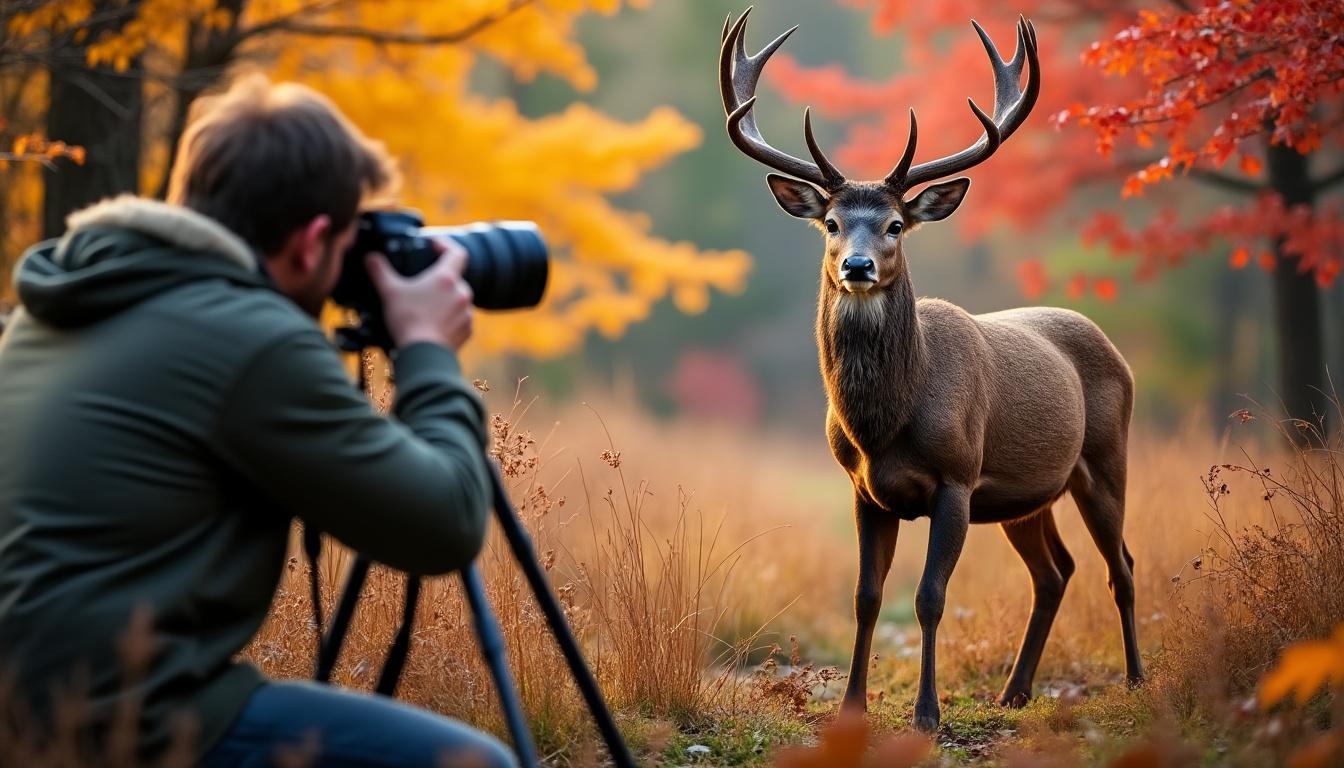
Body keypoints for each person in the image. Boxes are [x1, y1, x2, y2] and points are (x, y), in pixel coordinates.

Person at [0, 73, 516, 767]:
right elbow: (444, 524)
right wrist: (426, 351)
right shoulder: (250, 337)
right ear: (309, 245)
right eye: (342, 250)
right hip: (122, 727)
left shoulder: (46, 308)